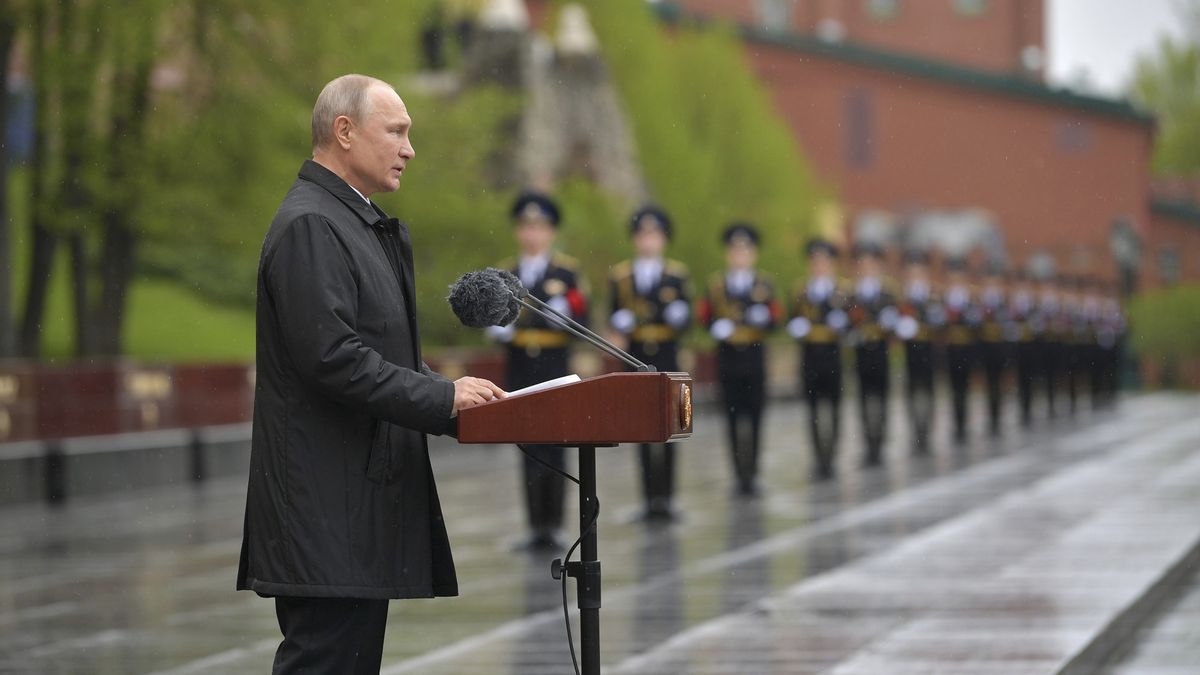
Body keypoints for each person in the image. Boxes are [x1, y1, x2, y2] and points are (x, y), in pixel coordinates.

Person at [237, 74, 506, 675]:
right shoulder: (313, 224)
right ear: (344, 132)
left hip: (351, 510)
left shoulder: (354, 223)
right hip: (326, 510)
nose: (410, 148)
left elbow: (384, 350)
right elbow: (333, 358)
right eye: (398, 131)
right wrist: (441, 396)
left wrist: (461, 399)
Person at [487, 190, 589, 550]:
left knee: (557, 444)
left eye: (540, 227)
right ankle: (534, 526)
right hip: (520, 366)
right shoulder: (504, 273)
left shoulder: (567, 271)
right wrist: (497, 327)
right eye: (526, 227)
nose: (532, 235)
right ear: (519, 232)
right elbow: (492, 323)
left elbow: (582, 317)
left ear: (551, 232)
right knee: (528, 444)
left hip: (553, 366)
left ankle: (555, 524)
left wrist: (566, 314)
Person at [609, 205, 691, 521]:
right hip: (638, 356)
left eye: (654, 235)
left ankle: (668, 498)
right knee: (641, 428)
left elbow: (688, 320)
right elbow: (614, 314)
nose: (648, 241)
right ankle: (648, 499)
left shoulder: (676, 275)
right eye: (643, 234)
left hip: (667, 354)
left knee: (671, 425)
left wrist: (680, 317)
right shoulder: (621, 276)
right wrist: (620, 320)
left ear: (664, 239)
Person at [697, 223, 781, 497]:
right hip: (729, 359)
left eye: (745, 250)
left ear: (753, 254)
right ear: (728, 254)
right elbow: (704, 316)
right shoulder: (717, 284)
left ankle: (753, 474)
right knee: (732, 418)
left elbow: (777, 316)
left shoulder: (764, 283)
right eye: (735, 250)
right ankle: (737, 475)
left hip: (754, 357)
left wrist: (765, 319)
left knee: (755, 417)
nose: (740, 255)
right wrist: (715, 327)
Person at [788, 239, 849, 480]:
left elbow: (855, 318)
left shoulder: (842, 290)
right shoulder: (801, 290)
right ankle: (818, 457)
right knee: (812, 409)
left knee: (834, 407)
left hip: (833, 355)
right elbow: (790, 317)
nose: (820, 266)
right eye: (815, 261)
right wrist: (796, 326)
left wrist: (844, 323)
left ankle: (831, 455)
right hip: (811, 355)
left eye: (824, 261)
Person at [846, 241, 897, 466]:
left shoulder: (888, 291)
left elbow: (898, 319)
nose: (867, 267)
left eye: (871, 263)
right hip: (861, 351)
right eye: (863, 263)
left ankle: (880, 443)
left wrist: (891, 324)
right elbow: (847, 320)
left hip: (880, 350)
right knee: (864, 399)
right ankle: (868, 443)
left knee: (882, 397)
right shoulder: (851, 292)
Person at [894, 249, 941, 453]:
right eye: (911, 271)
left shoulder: (933, 294)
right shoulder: (902, 296)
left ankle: (926, 432)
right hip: (911, 351)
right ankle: (915, 431)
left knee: (928, 391)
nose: (915, 276)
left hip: (929, 350)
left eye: (919, 271)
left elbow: (942, 322)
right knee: (912, 391)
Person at [941, 257, 978, 443]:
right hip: (950, 347)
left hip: (965, 347)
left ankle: (963, 423)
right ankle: (956, 423)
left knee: (964, 386)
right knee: (953, 387)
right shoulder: (942, 295)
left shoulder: (970, 296)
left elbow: (976, 322)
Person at [976, 259, 1011, 436]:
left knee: (998, 383)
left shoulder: (1003, 301)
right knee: (987, 383)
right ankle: (991, 416)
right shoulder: (979, 300)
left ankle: (997, 416)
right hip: (985, 347)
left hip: (999, 347)